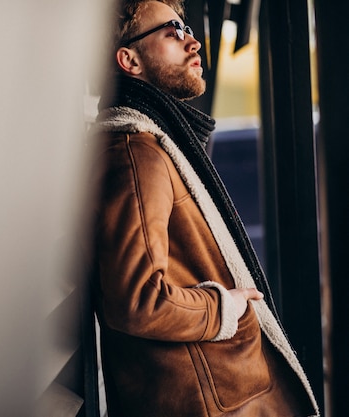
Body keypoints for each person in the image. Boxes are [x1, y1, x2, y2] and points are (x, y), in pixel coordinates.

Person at [87, 1, 320, 415]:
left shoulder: (153, 144)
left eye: (187, 27)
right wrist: (227, 309)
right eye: (172, 31)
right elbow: (140, 300)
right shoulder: (135, 152)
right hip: (214, 402)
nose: (193, 41)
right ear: (129, 60)